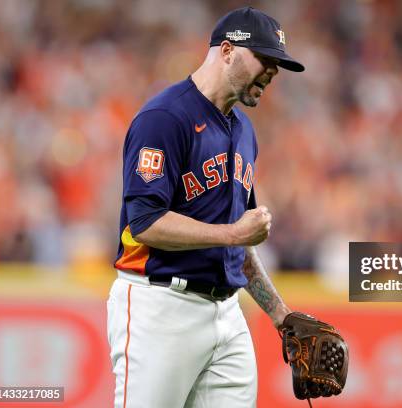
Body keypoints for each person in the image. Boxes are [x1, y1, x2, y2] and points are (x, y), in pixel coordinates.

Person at [107, 7, 304, 408]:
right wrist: (234, 234)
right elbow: (145, 223)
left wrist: (280, 314)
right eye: (265, 59)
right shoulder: (164, 118)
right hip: (160, 306)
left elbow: (237, 239)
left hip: (227, 313)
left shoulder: (243, 130)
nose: (273, 72)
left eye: (278, 64)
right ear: (227, 50)